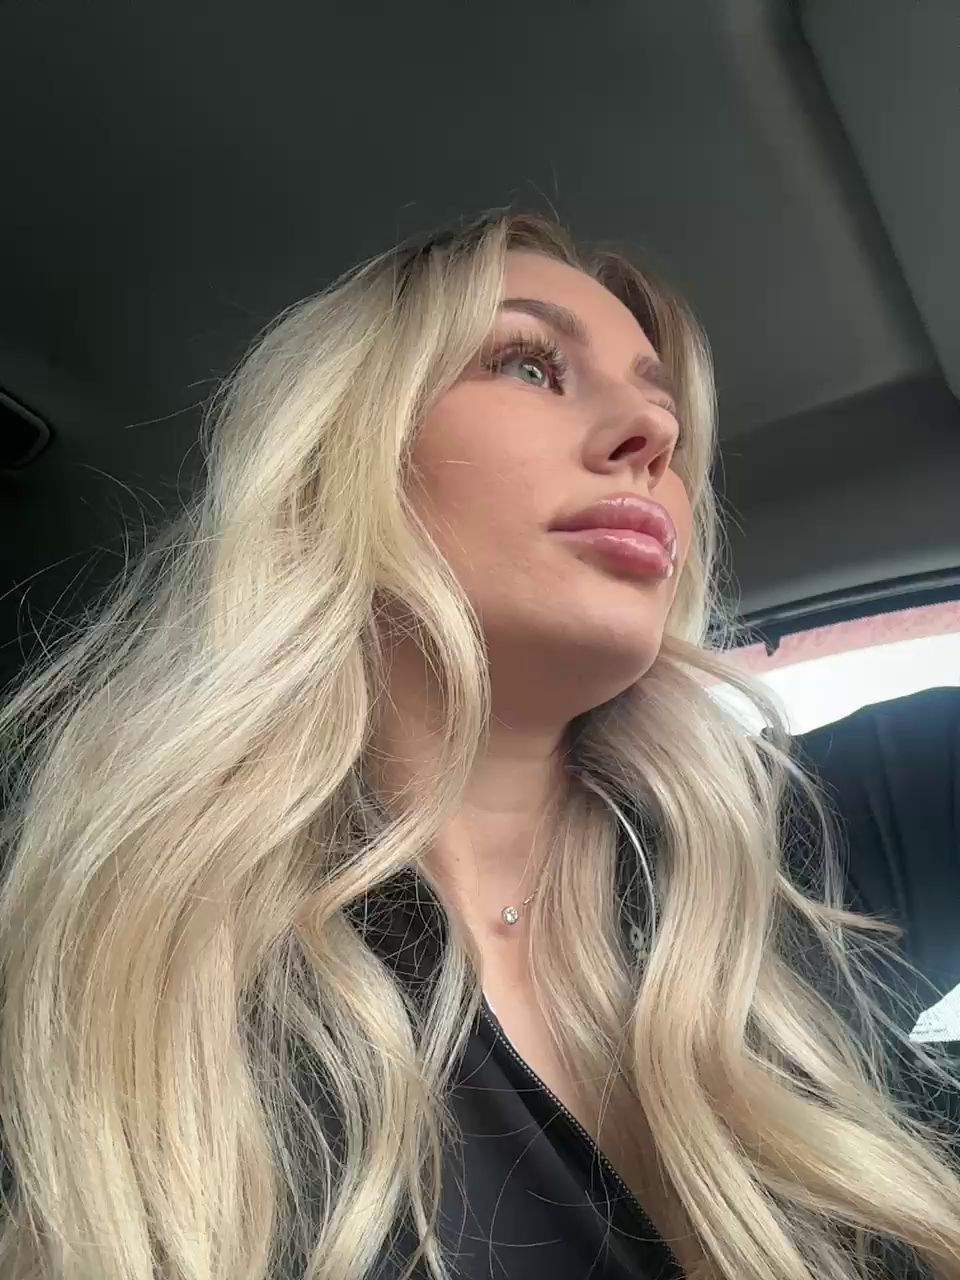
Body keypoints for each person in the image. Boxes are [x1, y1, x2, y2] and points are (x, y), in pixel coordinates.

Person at [0, 209, 957, 1280]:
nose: (651, 439)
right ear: (347, 449)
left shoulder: (797, 845)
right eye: (529, 365)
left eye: (667, 417)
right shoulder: (119, 963)